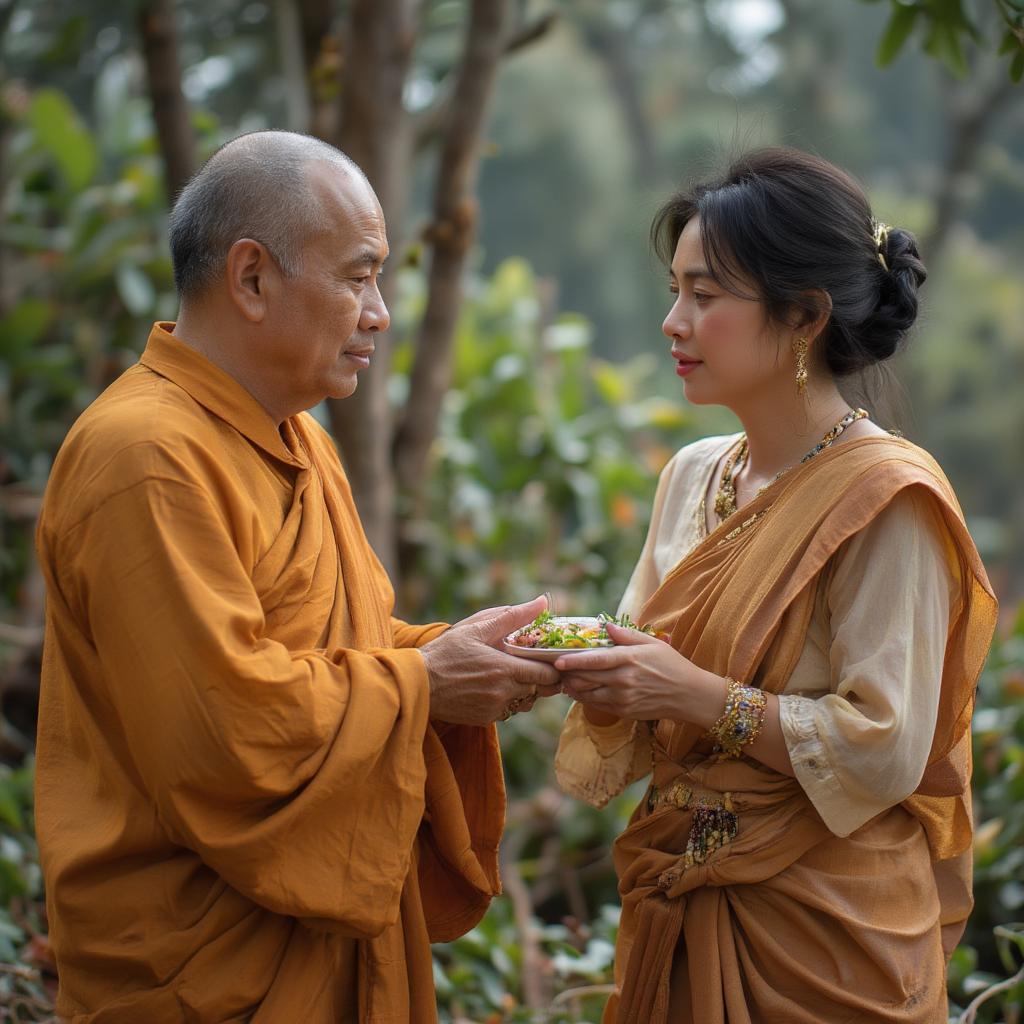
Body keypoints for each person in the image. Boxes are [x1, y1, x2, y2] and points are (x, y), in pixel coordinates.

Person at [34, 130, 560, 1022]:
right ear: (250, 279)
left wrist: (463, 655)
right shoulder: (147, 457)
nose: (380, 312)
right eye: (357, 277)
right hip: (192, 967)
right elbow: (224, 731)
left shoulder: (298, 437)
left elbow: (330, 648)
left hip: (315, 949)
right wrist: (424, 685)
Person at [553, 148, 997, 1024]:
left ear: (803, 317)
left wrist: (702, 696)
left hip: (828, 937)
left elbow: (885, 743)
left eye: (707, 296)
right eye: (675, 290)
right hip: (682, 896)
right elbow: (650, 677)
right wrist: (579, 658)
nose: (674, 321)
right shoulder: (691, 477)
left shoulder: (885, 499)